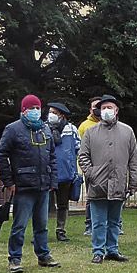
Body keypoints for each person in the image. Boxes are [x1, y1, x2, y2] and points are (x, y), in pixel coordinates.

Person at [0, 94, 59, 273]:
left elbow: (52, 157)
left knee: (42, 224)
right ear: (23, 111)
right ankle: (15, 258)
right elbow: (0, 155)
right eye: (32, 108)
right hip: (23, 185)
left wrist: (52, 180)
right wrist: (9, 181)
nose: (35, 111)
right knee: (20, 225)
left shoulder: (45, 130)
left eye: (38, 108)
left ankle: (43, 255)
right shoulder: (13, 129)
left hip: (43, 185)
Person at [78, 95, 137, 263]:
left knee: (114, 221)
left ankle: (112, 249)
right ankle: (98, 251)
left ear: (116, 110)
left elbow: (133, 159)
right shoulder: (90, 132)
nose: (106, 111)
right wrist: (91, 173)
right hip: (98, 184)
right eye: (103, 108)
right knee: (98, 221)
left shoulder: (127, 131)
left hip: (119, 182)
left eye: (109, 108)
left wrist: (133, 182)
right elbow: (83, 156)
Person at [46, 102, 80, 242]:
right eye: (50, 112)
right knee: (44, 205)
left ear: (61, 115)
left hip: (65, 174)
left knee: (63, 205)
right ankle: (42, 231)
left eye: (54, 112)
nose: (50, 115)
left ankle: (61, 230)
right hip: (47, 173)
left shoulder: (71, 129)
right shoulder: (43, 128)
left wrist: (73, 170)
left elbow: (78, 149)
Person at [78, 96, 102, 236]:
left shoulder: (110, 124)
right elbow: (81, 150)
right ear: (90, 109)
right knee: (91, 197)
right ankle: (89, 225)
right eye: (95, 107)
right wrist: (87, 169)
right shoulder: (84, 126)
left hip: (107, 167)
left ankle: (116, 224)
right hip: (92, 169)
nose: (97, 110)